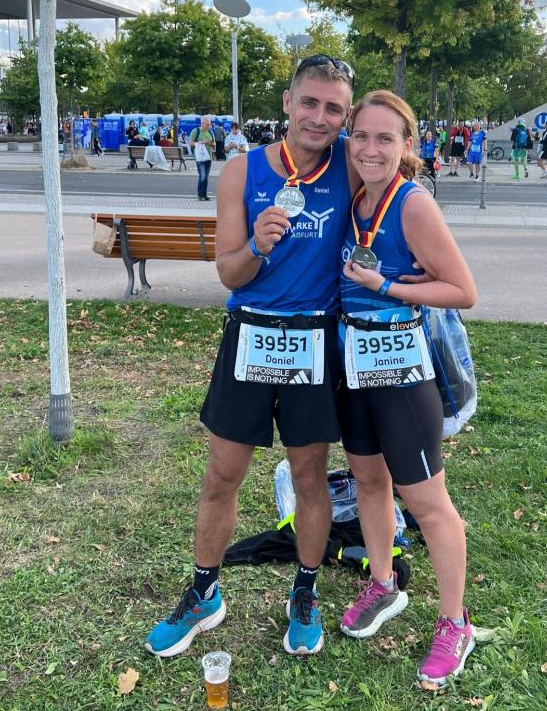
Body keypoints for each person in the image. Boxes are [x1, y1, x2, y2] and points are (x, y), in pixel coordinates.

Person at [144, 54, 362, 659]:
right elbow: (228, 273)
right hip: (251, 333)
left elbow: (400, 176)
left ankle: (305, 592)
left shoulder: (351, 163)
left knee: (310, 477)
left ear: (345, 116)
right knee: (222, 474)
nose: (319, 117)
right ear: (288, 102)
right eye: (309, 102)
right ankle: (203, 593)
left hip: (314, 338)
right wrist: (259, 248)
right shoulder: (241, 171)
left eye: (334, 108)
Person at [337, 90, 477, 686]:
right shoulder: (354, 198)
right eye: (361, 136)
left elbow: (463, 290)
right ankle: (383, 583)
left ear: (406, 145)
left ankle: (455, 623)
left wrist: (389, 287)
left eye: (385, 138)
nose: (370, 149)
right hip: (353, 366)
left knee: (427, 503)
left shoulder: (412, 204)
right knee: (369, 482)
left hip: (401, 370)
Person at [190, 117, 215, 201]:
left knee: (206, 177)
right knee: (202, 175)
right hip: (200, 157)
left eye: (209, 124)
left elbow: (214, 143)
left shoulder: (210, 132)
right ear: (202, 124)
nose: (209, 126)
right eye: (207, 124)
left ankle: (204, 194)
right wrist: (201, 142)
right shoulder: (196, 131)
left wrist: (211, 143)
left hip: (208, 157)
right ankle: (200, 194)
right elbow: (191, 143)